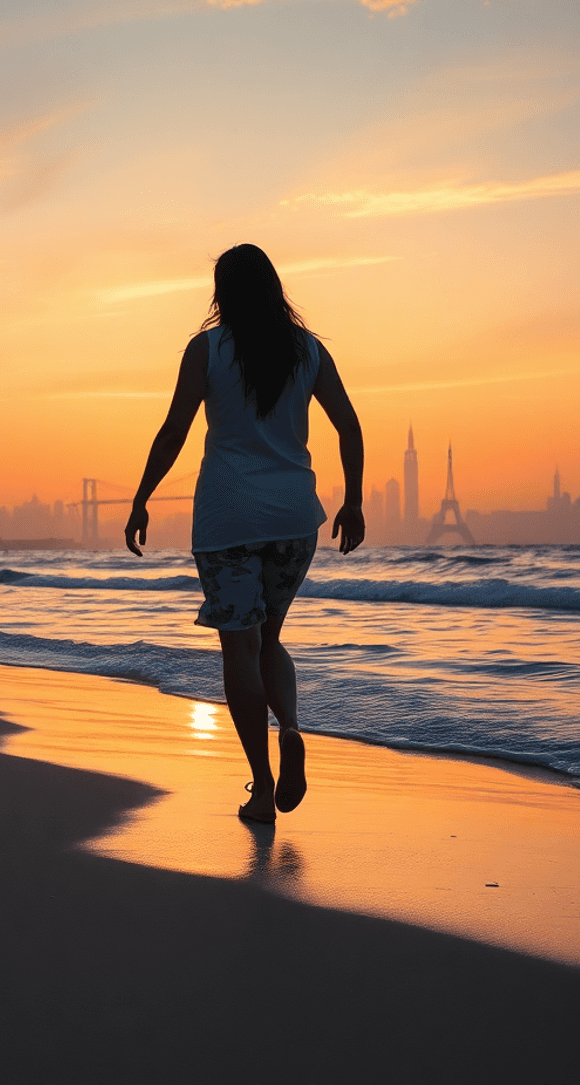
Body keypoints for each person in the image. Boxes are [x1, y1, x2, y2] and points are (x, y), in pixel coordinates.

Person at [124, 244, 364, 824]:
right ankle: (293, 730)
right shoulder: (308, 349)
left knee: (240, 647)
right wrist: (353, 502)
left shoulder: (207, 349)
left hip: (227, 520)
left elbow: (174, 430)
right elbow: (349, 425)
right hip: (293, 521)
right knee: (270, 640)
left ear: (221, 292)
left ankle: (262, 787)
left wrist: (141, 496)